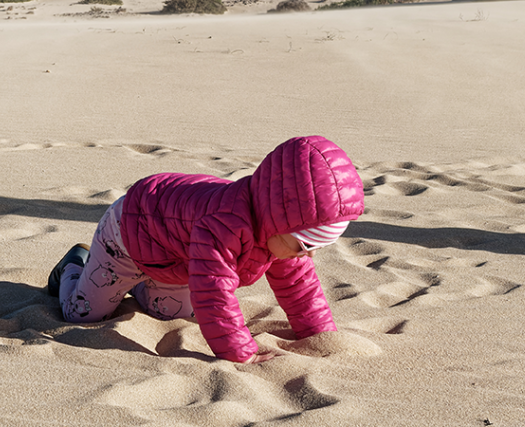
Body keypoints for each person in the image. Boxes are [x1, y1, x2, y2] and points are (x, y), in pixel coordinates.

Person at [46, 135, 365, 364]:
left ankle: (137, 285)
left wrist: (319, 334)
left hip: (175, 256)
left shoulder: (281, 237)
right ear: (277, 218)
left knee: (170, 312)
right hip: (128, 235)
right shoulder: (225, 224)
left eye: (318, 246)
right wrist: (241, 353)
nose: (308, 254)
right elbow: (214, 294)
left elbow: (300, 289)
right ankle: (75, 265)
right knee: (83, 313)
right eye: (306, 244)